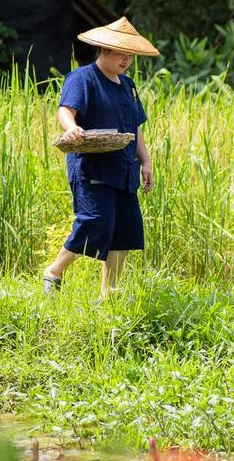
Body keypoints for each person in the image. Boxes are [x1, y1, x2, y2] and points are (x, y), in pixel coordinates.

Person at [42, 18, 159, 301]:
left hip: (124, 166)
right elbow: (65, 111)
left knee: (124, 229)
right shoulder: (83, 78)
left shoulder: (128, 86)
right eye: (121, 54)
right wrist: (71, 129)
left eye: (130, 55)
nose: (126, 60)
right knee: (95, 221)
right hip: (92, 165)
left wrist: (145, 162)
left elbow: (136, 129)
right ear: (103, 50)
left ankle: (110, 293)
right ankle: (55, 271)